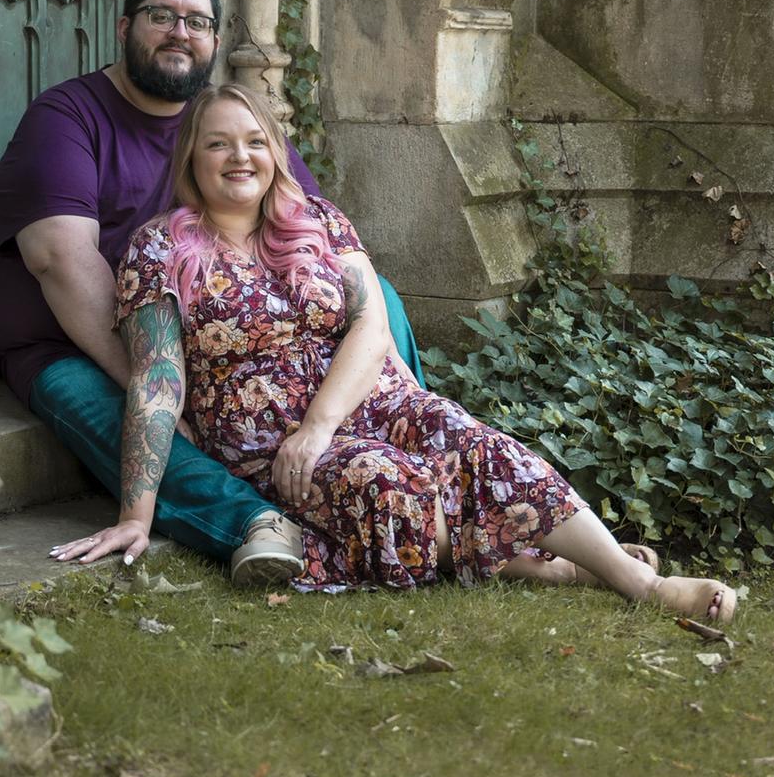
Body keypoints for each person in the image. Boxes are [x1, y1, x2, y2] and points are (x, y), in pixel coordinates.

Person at [50, 84, 739, 622]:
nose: (240, 157)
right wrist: (135, 515)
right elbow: (158, 379)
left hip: (367, 401)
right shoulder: (159, 247)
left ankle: (639, 582)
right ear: (191, 159)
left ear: (275, 152)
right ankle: (550, 566)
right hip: (271, 442)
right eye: (219, 144)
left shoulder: (320, 222)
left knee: (479, 445)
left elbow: (370, 325)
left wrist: (321, 426)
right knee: (389, 486)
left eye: (256, 141)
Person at [0, 0, 424, 587]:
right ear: (125, 27)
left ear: (215, 40)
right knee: (136, 413)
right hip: (76, 340)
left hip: (223, 329)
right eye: (162, 16)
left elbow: (313, 237)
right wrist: (163, 388)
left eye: (198, 22)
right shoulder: (67, 116)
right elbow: (61, 262)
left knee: (376, 298)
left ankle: (409, 452)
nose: (179, 33)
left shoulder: (230, 123)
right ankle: (260, 526)